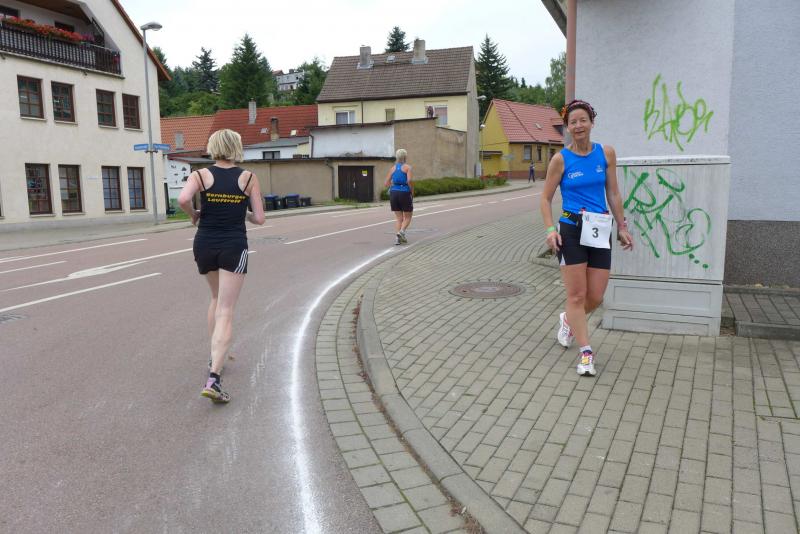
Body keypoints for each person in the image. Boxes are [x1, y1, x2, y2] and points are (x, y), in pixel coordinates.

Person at [539, 100, 633, 377]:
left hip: (600, 229)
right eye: (573, 122)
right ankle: (586, 352)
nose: (578, 126)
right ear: (567, 128)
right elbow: (545, 198)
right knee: (577, 295)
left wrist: (622, 226)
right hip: (571, 229)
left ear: (592, 122)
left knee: (595, 296)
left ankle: (568, 320)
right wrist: (550, 229)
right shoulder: (561, 160)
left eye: (583, 120)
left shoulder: (606, 153)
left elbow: (613, 193)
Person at [178, 129, 265, 403]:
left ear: (213, 146)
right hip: (233, 245)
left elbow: (182, 199)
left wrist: (194, 214)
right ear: (237, 147)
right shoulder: (248, 178)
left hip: (204, 243)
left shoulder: (200, 175)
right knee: (226, 309)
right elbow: (260, 219)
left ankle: (214, 354)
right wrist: (244, 213)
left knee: (215, 298)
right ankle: (214, 378)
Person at [384, 148, 414, 245]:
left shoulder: (392, 168)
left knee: (399, 218)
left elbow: (386, 183)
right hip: (404, 192)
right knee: (408, 216)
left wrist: (393, 185)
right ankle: (401, 232)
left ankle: (398, 239)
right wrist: (412, 191)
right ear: (405, 157)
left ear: (397, 157)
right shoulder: (407, 168)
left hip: (394, 193)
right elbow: (409, 180)